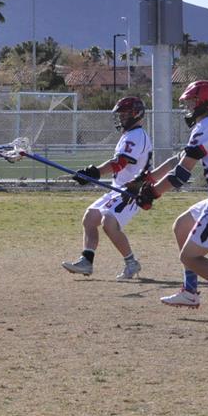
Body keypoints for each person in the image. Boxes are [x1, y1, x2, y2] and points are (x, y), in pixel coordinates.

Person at [132, 80, 208, 318]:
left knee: (190, 257)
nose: (188, 107)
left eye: (192, 102)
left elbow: (181, 174)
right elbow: (179, 159)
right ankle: (190, 291)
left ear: (205, 102)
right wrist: (147, 180)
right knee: (182, 225)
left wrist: (153, 193)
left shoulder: (207, 125)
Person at [62, 96, 153, 279]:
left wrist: (94, 172)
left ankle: (131, 263)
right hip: (117, 188)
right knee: (90, 217)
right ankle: (86, 261)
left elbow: (120, 162)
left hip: (131, 191)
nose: (121, 118)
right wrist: (91, 173)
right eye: (120, 115)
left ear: (136, 114)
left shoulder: (136, 136)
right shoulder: (129, 135)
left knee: (109, 223)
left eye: (125, 114)